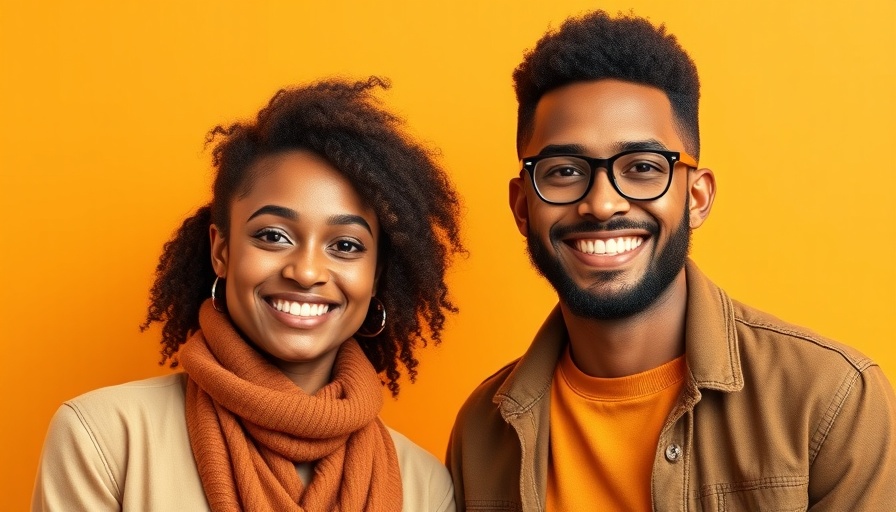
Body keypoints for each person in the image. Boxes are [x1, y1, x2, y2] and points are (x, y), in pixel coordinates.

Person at [447, 10, 896, 511]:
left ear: (697, 197)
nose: (602, 203)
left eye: (642, 167)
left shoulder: (831, 402)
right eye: (565, 170)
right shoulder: (481, 433)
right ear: (521, 205)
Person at [33, 77, 462, 511]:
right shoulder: (105, 439)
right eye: (274, 236)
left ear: (376, 276)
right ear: (222, 251)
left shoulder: (423, 486)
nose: (307, 271)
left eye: (346, 245)